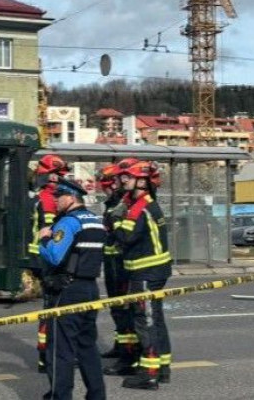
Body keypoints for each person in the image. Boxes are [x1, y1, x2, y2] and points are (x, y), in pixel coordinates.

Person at [38, 178, 108, 400]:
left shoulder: (68, 222)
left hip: (67, 291)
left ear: (70, 198)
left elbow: (55, 256)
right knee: (87, 347)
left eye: (58, 197)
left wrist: (43, 240)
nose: (55, 201)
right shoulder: (95, 221)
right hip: (90, 289)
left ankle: (60, 396)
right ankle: (97, 396)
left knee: (60, 350)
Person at [114, 160, 173, 390]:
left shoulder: (139, 207)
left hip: (146, 272)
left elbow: (125, 237)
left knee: (145, 320)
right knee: (155, 319)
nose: (122, 180)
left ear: (142, 181)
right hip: (152, 271)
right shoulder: (146, 203)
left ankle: (148, 374)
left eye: (127, 177)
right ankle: (162, 367)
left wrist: (115, 218)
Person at [29, 154, 69, 373]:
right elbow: (56, 234)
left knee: (49, 308)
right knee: (53, 309)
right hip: (49, 259)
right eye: (56, 176)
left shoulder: (39, 196)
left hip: (40, 257)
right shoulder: (48, 199)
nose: (58, 180)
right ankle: (48, 356)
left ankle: (45, 355)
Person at [99, 159, 139, 373]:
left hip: (121, 261)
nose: (108, 186)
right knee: (116, 307)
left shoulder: (122, 202)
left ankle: (128, 354)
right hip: (112, 259)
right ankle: (120, 345)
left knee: (124, 309)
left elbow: (120, 230)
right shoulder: (113, 201)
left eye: (110, 181)